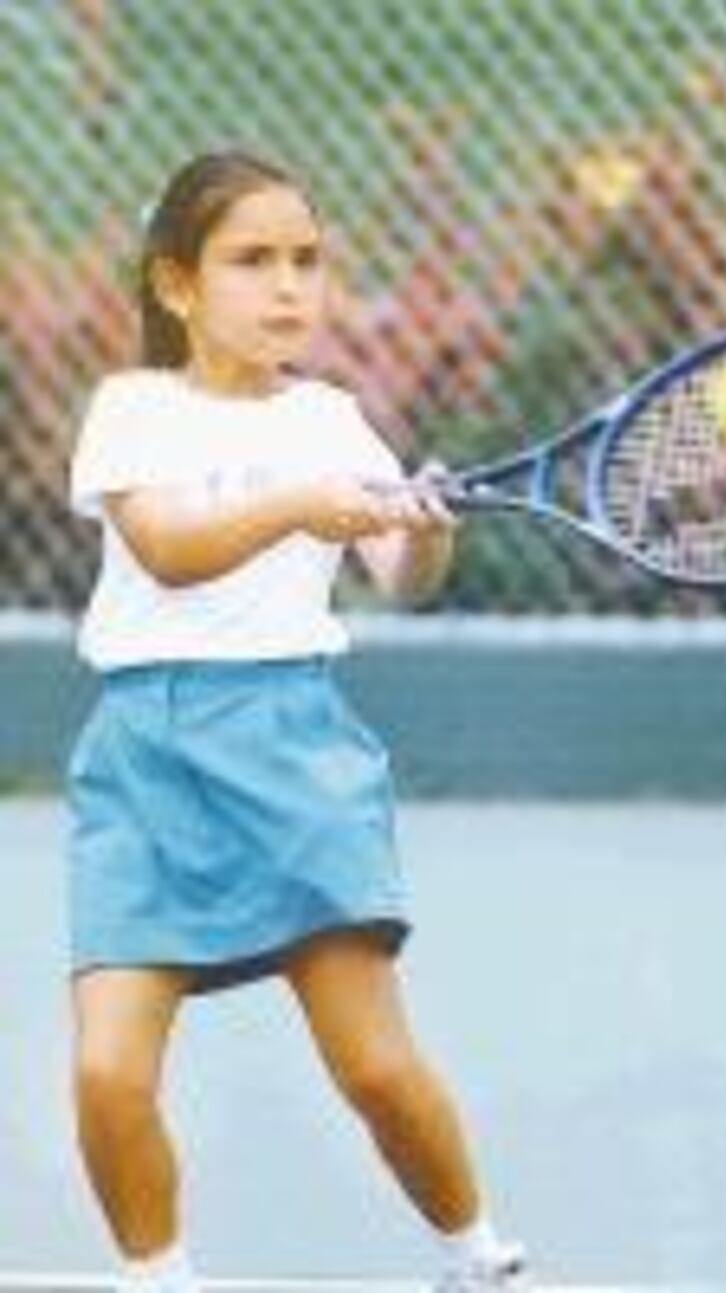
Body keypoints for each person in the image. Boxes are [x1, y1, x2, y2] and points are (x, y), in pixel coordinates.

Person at [67, 150, 527, 1293]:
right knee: (108, 1077)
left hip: (294, 751)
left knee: (374, 1069)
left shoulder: (331, 420)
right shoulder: (131, 409)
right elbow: (169, 550)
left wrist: (420, 529)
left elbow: (398, 575)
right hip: (143, 757)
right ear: (176, 286)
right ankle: (159, 1280)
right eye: (252, 261)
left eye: (307, 262)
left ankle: (476, 1259)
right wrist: (296, 503)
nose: (288, 288)